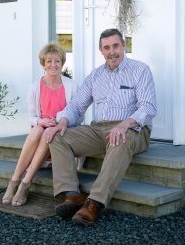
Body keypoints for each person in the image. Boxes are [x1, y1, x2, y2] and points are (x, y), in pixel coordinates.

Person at [45, 28, 157, 225]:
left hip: (134, 128)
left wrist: (125, 124)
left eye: (115, 46)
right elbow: (76, 105)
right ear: (101, 51)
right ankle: (72, 195)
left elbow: (148, 107)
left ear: (123, 46)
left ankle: (94, 203)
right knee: (58, 136)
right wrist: (62, 121)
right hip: (98, 129)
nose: (111, 51)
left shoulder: (140, 70)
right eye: (106, 48)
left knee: (120, 138)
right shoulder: (96, 76)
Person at [2, 42, 83, 206]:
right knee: (39, 128)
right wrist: (41, 121)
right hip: (40, 133)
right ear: (43, 64)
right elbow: (31, 116)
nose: (53, 65)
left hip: (63, 132)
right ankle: (15, 180)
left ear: (62, 63)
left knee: (47, 132)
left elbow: (79, 116)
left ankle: (25, 183)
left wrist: (61, 122)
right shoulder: (34, 88)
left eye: (57, 61)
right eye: (49, 61)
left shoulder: (72, 86)